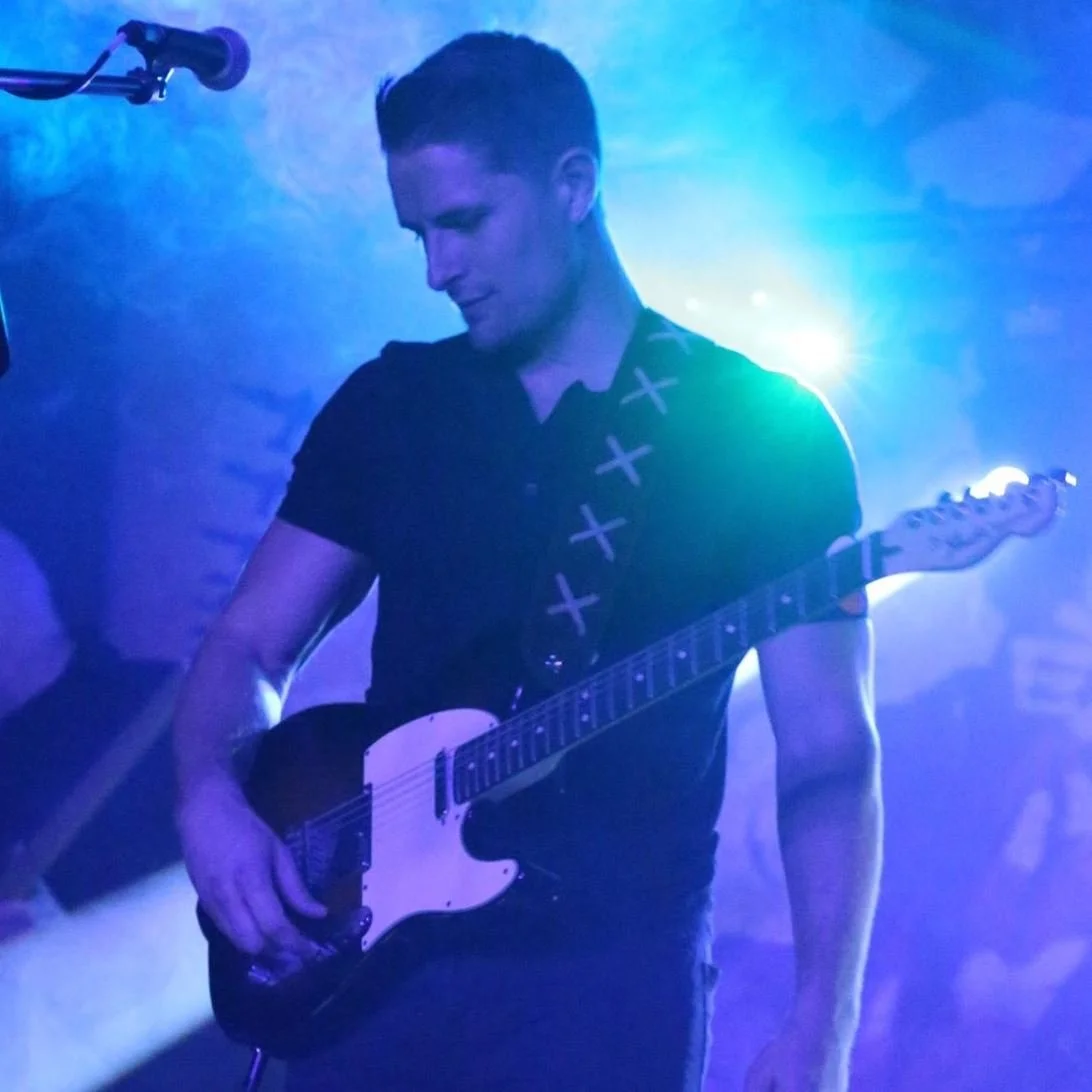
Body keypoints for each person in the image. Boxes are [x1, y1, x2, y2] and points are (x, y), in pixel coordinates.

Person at [173, 31, 882, 1092]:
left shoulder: (763, 429)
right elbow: (246, 643)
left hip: (602, 992)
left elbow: (828, 749)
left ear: (573, 184)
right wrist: (208, 798)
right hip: (363, 972)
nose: (436, 269)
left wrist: (822, 1022)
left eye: (463, 223)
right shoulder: (393, 403)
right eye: (417, 233)